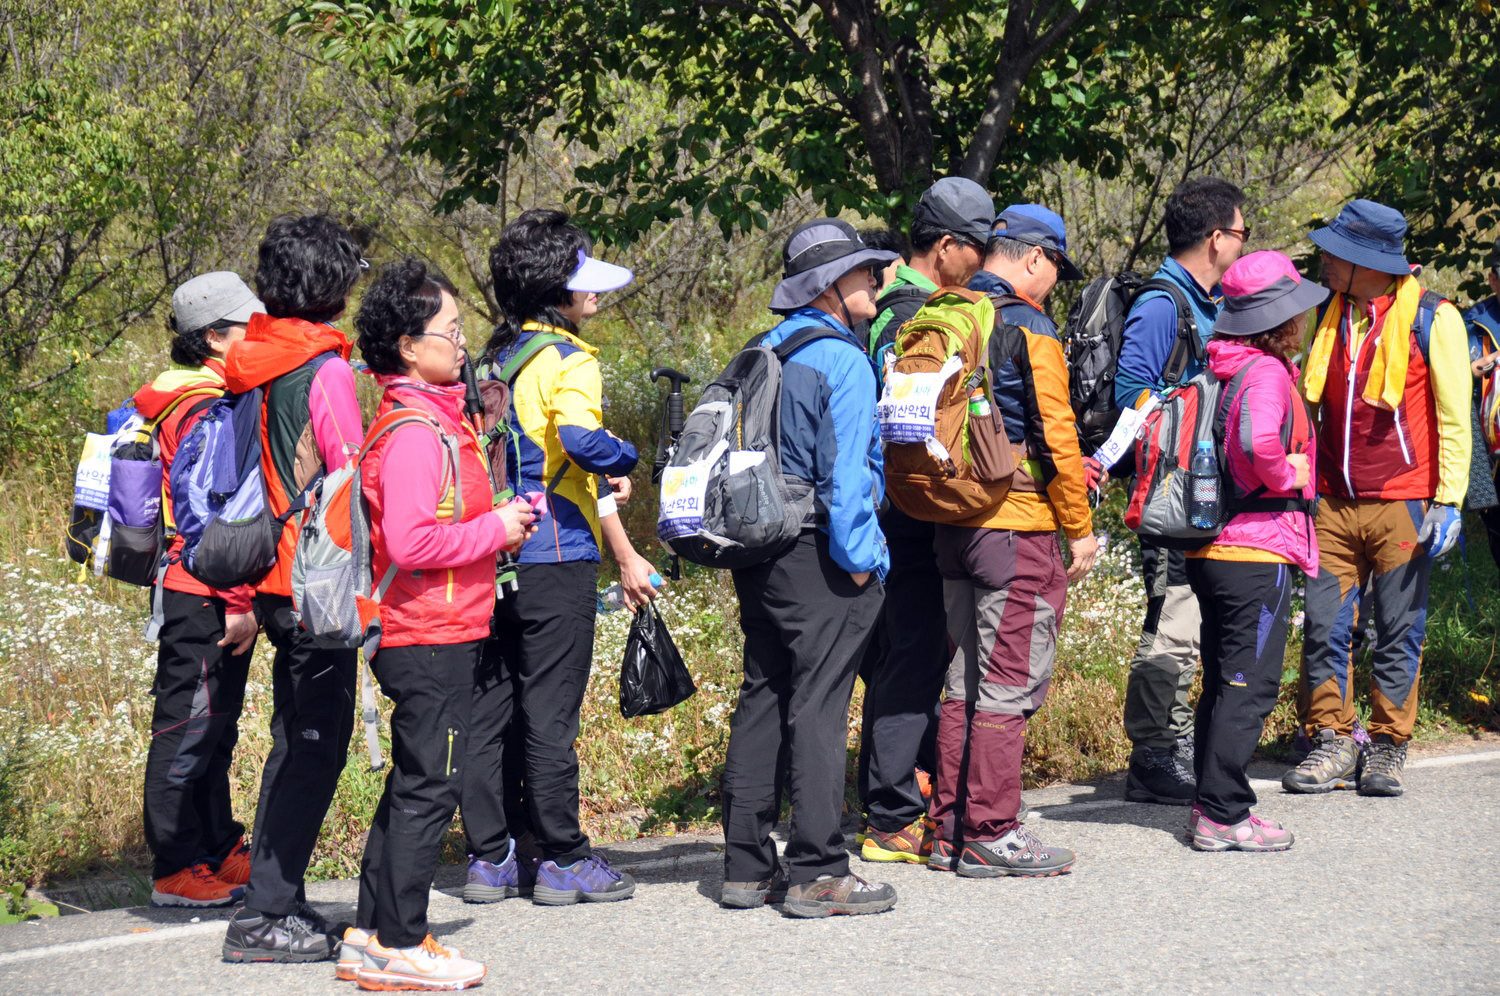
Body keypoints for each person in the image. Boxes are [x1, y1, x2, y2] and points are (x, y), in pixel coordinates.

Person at [336, 259, 537, 989]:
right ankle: (400, 942)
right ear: (406, 346)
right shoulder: (417, 431)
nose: (462, 344)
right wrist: (499, 527)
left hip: (433, 628)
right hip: (427, 632)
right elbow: (414, 544)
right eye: (448, 333)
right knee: (432, 786)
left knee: (414, 780)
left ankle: (368, 934)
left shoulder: (427, 418)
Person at [462, 209, 643, 907]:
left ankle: (492, 856)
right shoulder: (572, 360)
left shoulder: (492, 360)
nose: (593, 291)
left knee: (493, 705)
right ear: (554, 288)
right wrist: (626, 457)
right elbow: (580, 437)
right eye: (581, 276)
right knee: (550, 711)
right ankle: (564, 856)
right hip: (557, 551)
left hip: (492, 550)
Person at [719, 219, 896, 917]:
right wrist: (862, 564)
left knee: (764, 692)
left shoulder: (763, 348)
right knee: (820, 704)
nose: (877, 283)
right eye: (864, 273)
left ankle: (744, 868)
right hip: (820, 552)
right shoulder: (844, 360)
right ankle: (819, 871)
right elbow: (847, 481)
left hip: (758, 546)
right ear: (830, 286)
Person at [927, 204, 1097, 878]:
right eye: (1055, 268)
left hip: (951, 523)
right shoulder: (1029, 326)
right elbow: (1058, 437)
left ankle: (948, 830)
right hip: (1018, 527)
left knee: (961, 682)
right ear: (1034, 257)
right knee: (1006, 684)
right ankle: (992, 830)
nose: (1054, 282)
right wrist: (1078, 530)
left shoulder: (944, 314)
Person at [1285, 199, 1471, 797]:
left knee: (1398, 626)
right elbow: (1310, 402)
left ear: (1365, 261)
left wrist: (1449, 499)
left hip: (1404, 499)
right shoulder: (1330, 313)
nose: (1323, 259)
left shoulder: (1434, 318)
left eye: (1334, 252)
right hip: (1333, 500)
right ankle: (1334, 738)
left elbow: (1453, 417)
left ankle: (1389, 745)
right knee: (1323, 627)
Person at [221, 215, 367, 962]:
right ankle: (263, 916)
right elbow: (347, 482)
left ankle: (280, 895)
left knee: (296, 740)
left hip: (267, 577)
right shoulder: (326, 369)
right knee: (313, 746)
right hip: (314, 584)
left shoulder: (252, 358)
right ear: (333, 286)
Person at [857, 177, 993, 865]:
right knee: (910, 660)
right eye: (976, 248)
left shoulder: (886, 307)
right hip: (909, 512)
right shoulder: (919, 314)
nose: (984, 263)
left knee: (900, 658)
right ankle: (891, 815)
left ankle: (890, 794)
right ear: (946, 247)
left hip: (890, 509)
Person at [1113, 177, 1248, 805]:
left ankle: (1175, 746)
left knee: (1192, 624)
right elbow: (1130, 399)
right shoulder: (1164, 302)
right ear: (1217, 237)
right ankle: (1155, 755)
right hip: (1171, 497)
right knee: (1172, 623)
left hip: (1203, 496)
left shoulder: (1206, 299)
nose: (1243, 246)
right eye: (1242, 234)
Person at [1184, 251, 1324, 851]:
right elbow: (1257, 442)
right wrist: (1288, 472)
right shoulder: (1265, 373)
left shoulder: (1219, 365)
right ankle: (1224, 813)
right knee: (1251, 685)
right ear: (1281, 320)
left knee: (1222, 680)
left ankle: (1210, 804)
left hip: (1214, 548)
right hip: (1256, 550)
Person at [138, 273, 261, 908]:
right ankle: (175, 867)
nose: (259, 333)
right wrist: (240, 603)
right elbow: (209, 515)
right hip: (203, 590)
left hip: (197, 588)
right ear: (214, 338)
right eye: (249, 325)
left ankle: (216, 848)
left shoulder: (189, 396)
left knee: (213, 728)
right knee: (186, 729)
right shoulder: (205, 405)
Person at [1463, 238, 1500, 569]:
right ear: (1492, 279)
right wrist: (1470, 371)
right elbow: (1440, 380)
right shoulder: (1471, 324)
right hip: (1492, 458)